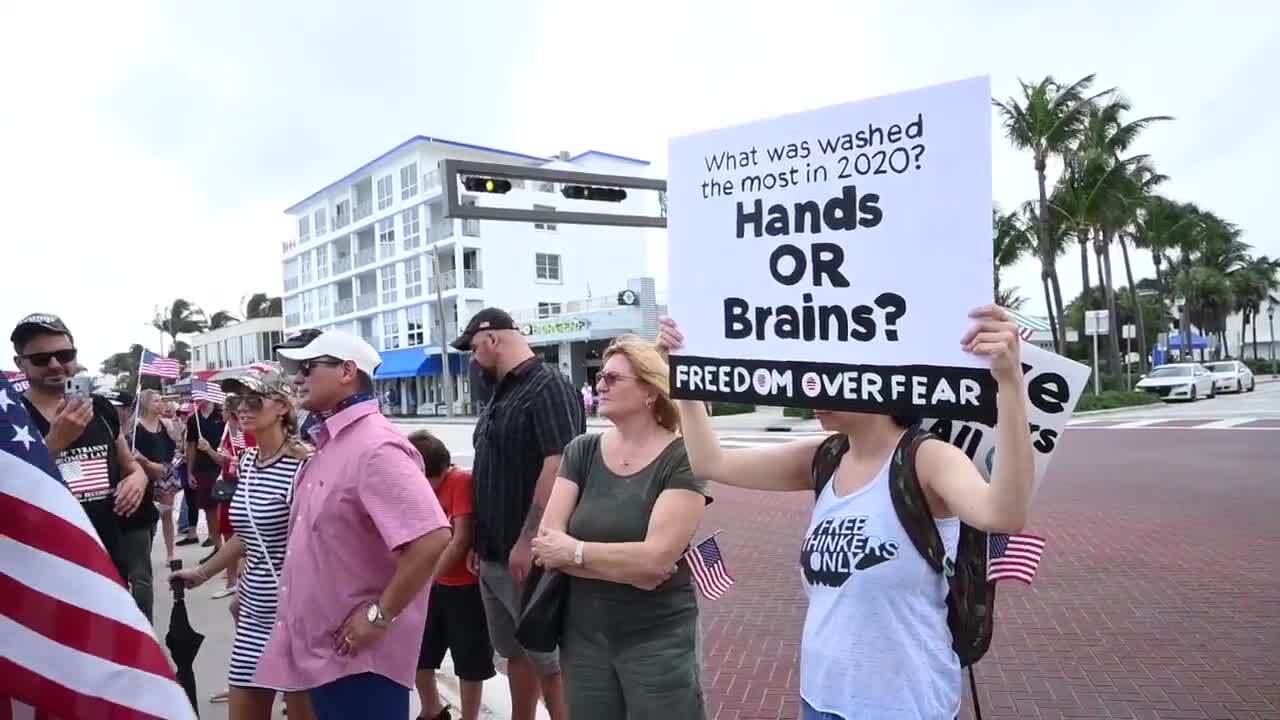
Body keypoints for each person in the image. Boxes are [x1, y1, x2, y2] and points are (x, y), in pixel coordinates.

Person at [656, 306, 1036, 720]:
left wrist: (1010, 383)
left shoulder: (927, 459)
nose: (812, 388)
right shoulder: (827, 458)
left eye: (828, 373)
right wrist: (686, 382)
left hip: (905, 704)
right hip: (821, 699)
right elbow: (711, 463)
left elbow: (1003, 514)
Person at [257, 331, 452, 720]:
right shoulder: (332, 443)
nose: (297, 378)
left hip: (358, 661)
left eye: (308, 367)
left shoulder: (375, 446)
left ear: (347, 371)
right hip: (323, 654)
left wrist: (380, 615)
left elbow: (431, 537)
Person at [531, 336, 711, 718]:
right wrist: (627, 566)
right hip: (582, 640)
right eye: (600, 377)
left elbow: (655, 560)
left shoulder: (683, 458)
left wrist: (575, 552)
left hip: (658, 641)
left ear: (649, 392)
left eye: (613, 378)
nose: (600, 384)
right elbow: (546, 545)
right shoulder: (582, 450)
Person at [451, 308, 584, 720]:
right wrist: (479, 541)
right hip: (494, 554)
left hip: (528, 553)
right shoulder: (501, 393)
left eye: (474, 348)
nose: (473, 359)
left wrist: (530, 539)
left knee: (549, 659)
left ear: (492, 339)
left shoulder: (548, 387)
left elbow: (560, 464)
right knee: (514, 653)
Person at [170, 370, 315, 720]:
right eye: (235, 403)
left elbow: (316, 544)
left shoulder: (305, 465)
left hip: (296, 615)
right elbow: (249, 533)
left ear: (282, 406)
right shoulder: (249, 462)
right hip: (253, 610)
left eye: (253, 401)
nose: (242, 410)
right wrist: (204, 572)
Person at [11, 314, 149, 601]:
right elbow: (9, 489)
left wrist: (138, 478)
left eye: (64, 355)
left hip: (108, 557)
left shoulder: (100, 408)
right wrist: (55, 443)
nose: (54, 365)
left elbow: (129, 464)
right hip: (44, 567)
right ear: (20, 364)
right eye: (40, 359)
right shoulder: (9, 419)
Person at [407, 430, 496, 720]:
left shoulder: (459, 482)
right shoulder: (414, 487)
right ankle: (431, 708)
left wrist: (427, 578)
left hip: (463, 586)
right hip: (429, 585)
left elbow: (460, 539)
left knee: (469, 660)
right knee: (420, 652)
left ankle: (470, 716)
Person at [135, 390, 182, 563]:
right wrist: (145, 462)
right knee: (147, 515)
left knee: (167, 514)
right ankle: (144, 552)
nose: (160, 403)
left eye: (161, 400)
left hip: (165, 471)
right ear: (146, 404)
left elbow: (178, 439)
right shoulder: (137, 425)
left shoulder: (166, 423)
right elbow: (132, 448)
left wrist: (175, 417)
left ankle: (170, 553)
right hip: (144, 471)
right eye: (156, 401)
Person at [186, 397, 226, 552]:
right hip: (202, 468)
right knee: (209, 508)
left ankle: (228, 548)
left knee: (223, 508)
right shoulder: (192, 419)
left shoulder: (222, 415)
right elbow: (191, 446)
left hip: (221, 466)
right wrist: (189, 472)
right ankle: (217, 546)